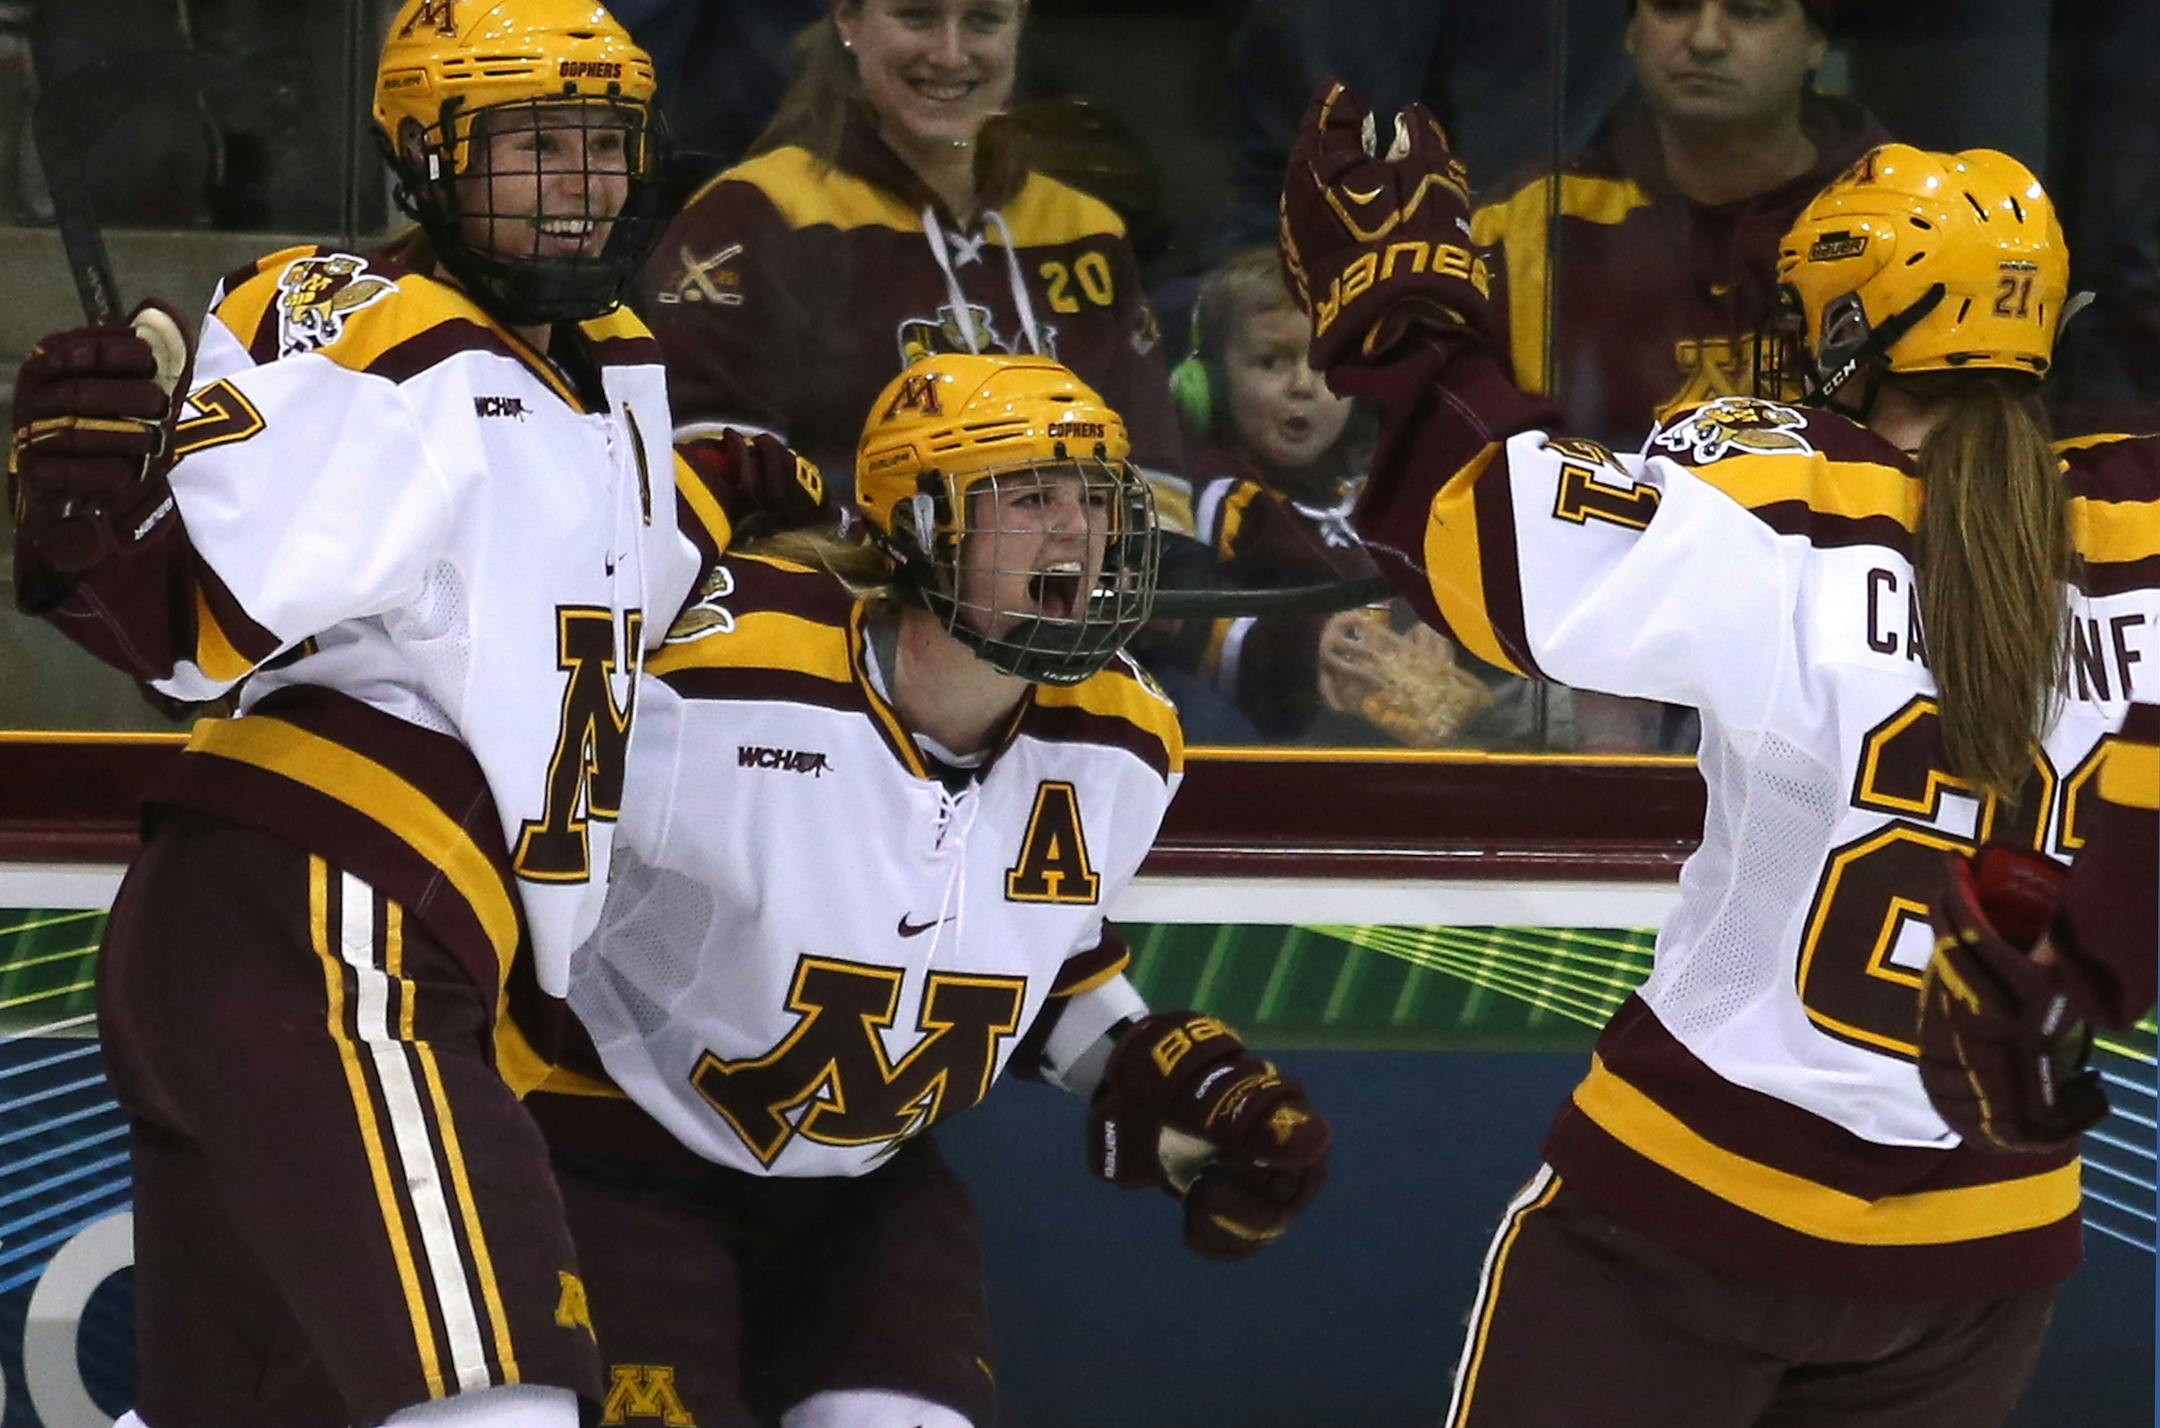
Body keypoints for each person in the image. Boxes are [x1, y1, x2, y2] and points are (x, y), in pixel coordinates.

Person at [1280, 86, 2158, 1426]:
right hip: (1986, 1251)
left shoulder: (1792, 500)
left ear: (1852, 325)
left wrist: (1404, 328)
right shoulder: (2140, 524)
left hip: (1693, 1209)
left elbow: (1496, 546)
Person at [3, 2, 813, 1423]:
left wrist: (722, 495)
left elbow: (562, 559)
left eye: (603, 145)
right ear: (425, 157)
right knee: (498, 1392)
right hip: (332, 918)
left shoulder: (610, 353)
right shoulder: (371, 328)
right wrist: (107, 529)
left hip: (362, 936)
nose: (576, 184)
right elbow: (197, 632)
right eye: (529, 145)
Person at [526, 353, 1332, 1428]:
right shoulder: (712, 679)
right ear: (916, 524)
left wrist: (1154, 1074)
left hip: (866, 1189)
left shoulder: (1124, 742)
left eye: (1097, 500)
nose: (1076, 535)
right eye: (1032, 496)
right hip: (613, 1154)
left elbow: (1018, 954)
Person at [1473, 0, 1887, 753]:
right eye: (1671, 7)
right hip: (1583, 663)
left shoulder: (1907, 231)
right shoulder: (1524, 227)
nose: (1703, 39)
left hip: (1845, 668)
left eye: (1751, 13)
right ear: (1629, 30)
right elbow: (1467, 493)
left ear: (1817, 40)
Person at [631, 0, 1189, 531]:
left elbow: (1153, 494)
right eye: (917, 17)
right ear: (848, 18)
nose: (950, 54)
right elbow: (714, 492)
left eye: (983, 21)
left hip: (1065, 613)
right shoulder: (752, 217)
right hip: (837, 618)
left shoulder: (1086, 230)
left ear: (1020, 23)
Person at [1177, 249, 1544, 748]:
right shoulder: (1218, 493)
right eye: (1269, 362)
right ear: (1210, 383)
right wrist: (1309, 648)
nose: (1303, 386)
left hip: (1416, 727)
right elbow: (1190, 629)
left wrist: (1433, 628)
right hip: (1294, 742)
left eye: (1326, 363)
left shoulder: (1372, 484)